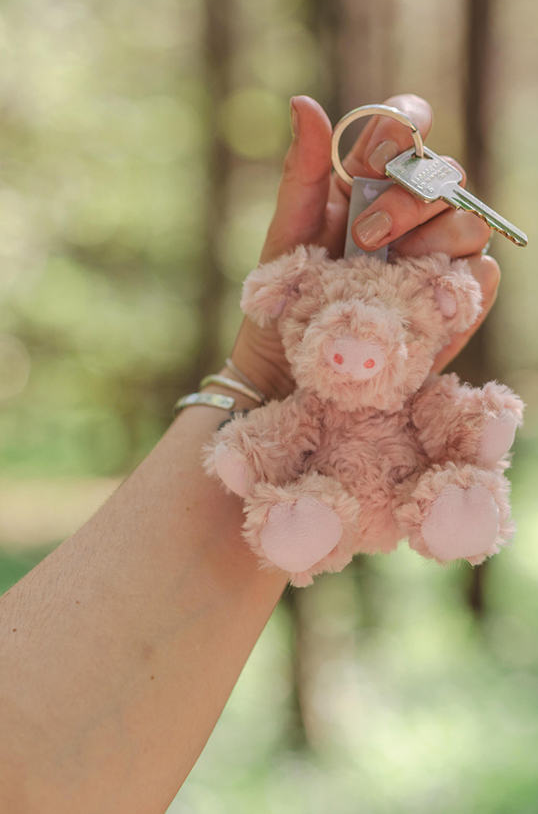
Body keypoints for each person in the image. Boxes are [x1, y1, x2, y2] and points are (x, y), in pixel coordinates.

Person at [0, 94, 499, 813]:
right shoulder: (295, 372)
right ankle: (317, 511)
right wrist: (264, 412)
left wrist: (259, 381)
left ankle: (453, 504)